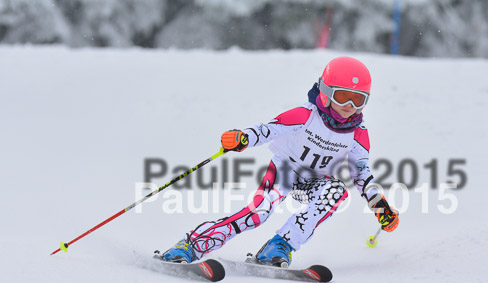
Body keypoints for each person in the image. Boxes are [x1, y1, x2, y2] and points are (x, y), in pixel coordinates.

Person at [162, 56, 399, 267]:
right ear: (326, 92)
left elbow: (361, 173)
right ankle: (191, 245)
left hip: (317, 181)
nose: (350, 106)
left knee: (336, 191)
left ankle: (280, 245)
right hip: (285, 172)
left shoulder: (358, 133)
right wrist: (242, 138)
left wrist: (380, 206)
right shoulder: (305, 115)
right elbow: (268, 130)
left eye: (359, 100)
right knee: (258, 214)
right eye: (344, 97)